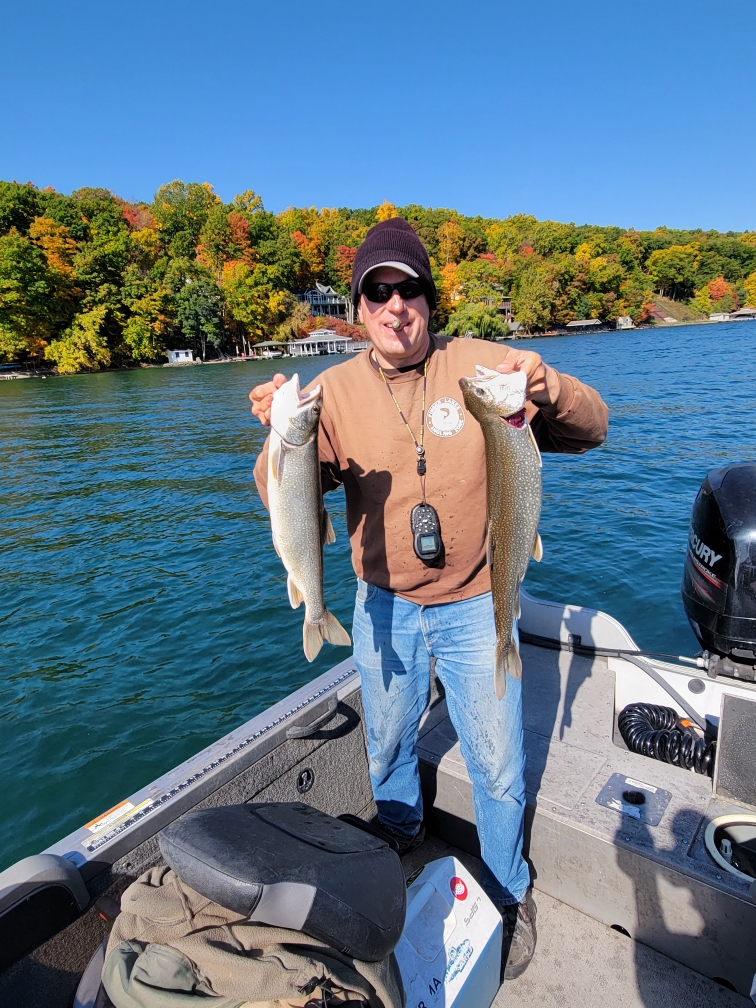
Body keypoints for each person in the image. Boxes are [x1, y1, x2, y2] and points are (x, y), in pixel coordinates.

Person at [250, 218, 608, 979]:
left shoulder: (482, 366)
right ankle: (399, 830)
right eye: (376, 292)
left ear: (427, 299)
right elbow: (286, 496)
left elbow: (592, 427)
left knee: (498, 762)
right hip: (382, 604)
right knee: (386, 744)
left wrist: (547, 386)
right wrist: (277, 437)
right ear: (358, 307)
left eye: (407, 288)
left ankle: (508, 888)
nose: (394, 305)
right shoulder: (329, 393)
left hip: (479, 602)